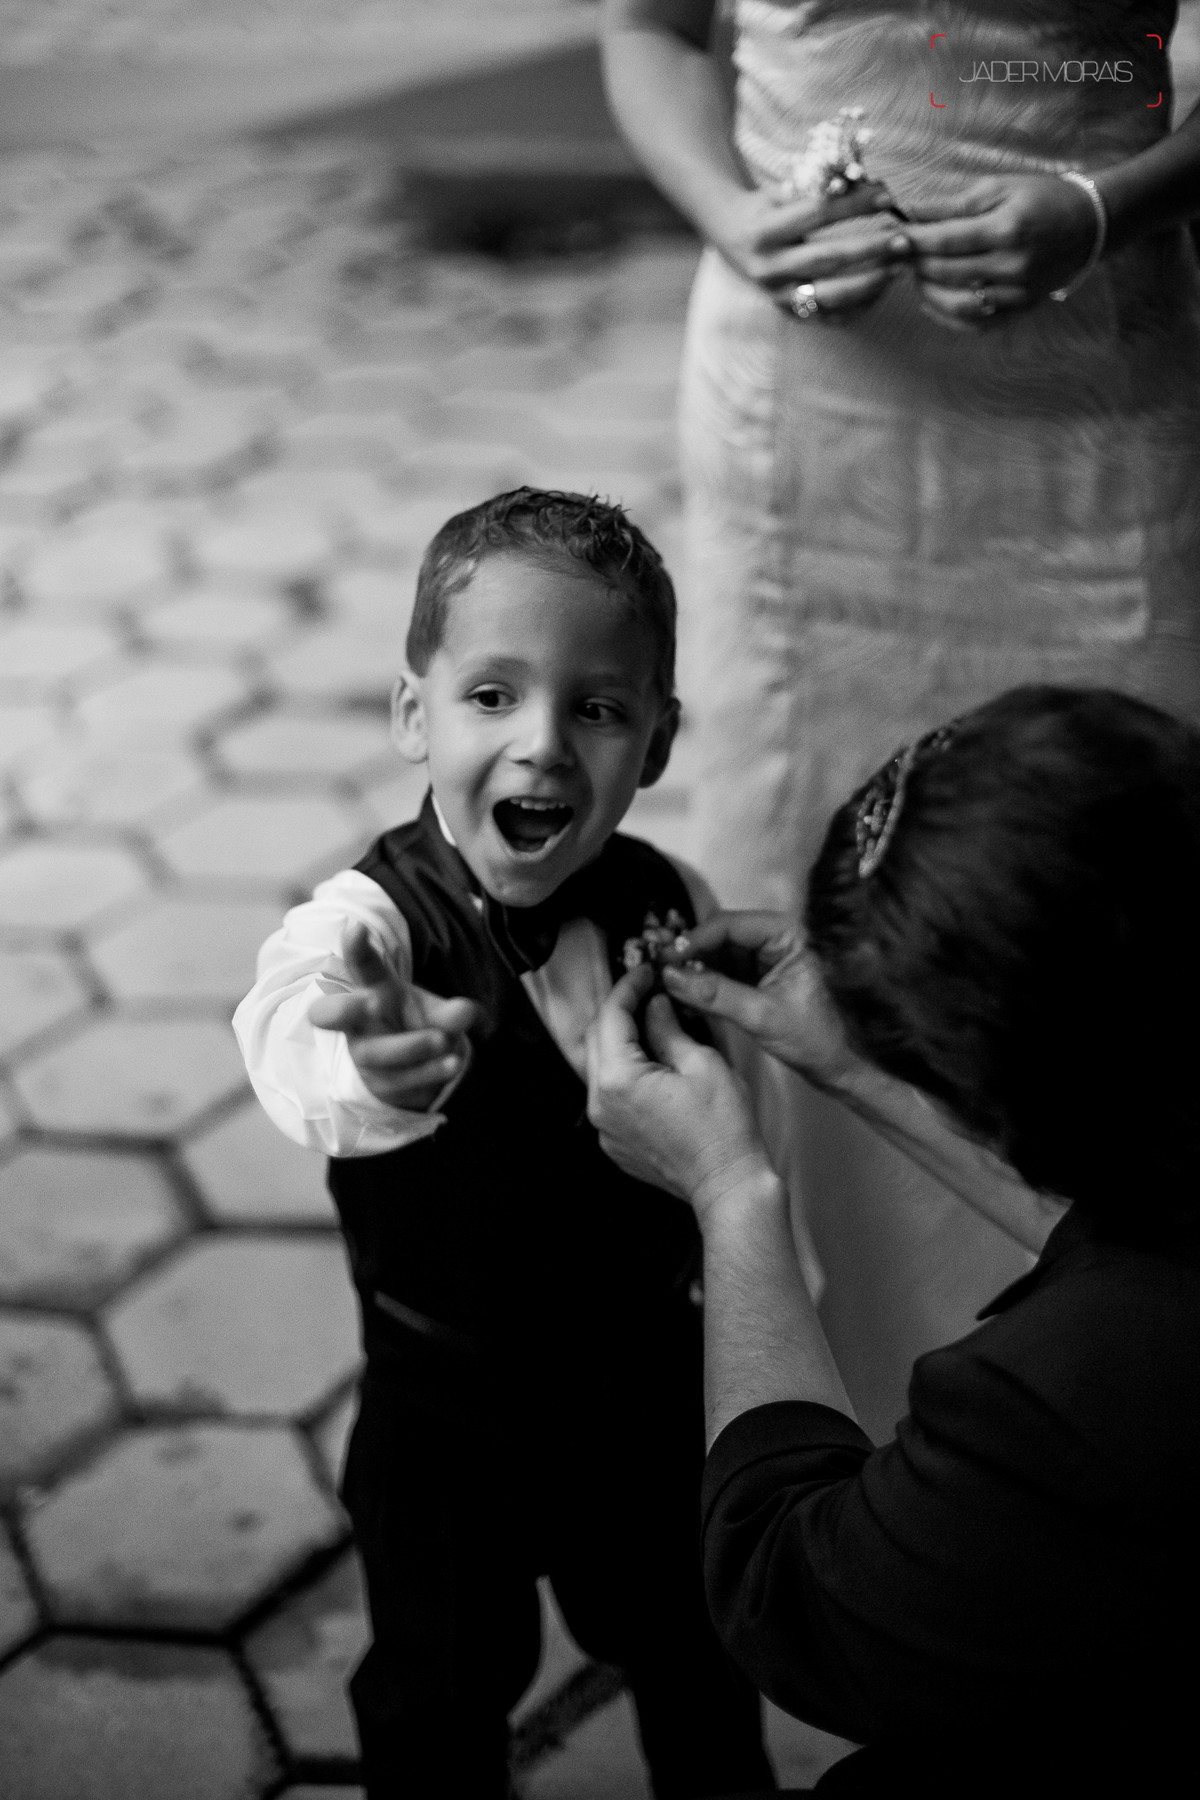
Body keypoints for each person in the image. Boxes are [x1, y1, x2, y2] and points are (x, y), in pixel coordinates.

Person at [601, 0, 1200, 1436]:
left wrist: (1103, 206)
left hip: (1099, 401)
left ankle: (1140, 1420)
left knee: (1119, 917)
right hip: (805, 420)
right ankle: (861, 1457)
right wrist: (732, 216)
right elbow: (652, 30)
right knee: (807, 901)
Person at [233, 488, 776, 1800]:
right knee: (438, 1690)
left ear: (655, 743)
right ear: (413, 711)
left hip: (646, 1390)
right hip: (444, 1414)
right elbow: (285, 1024)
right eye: (492, 696)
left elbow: (729, 1091)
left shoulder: (666, 896)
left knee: (698, 1650)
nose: (541, 747)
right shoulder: (368, 925)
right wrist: (365, 1056)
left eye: (596, 708)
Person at [586, 684, 1200, 1796]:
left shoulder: (1059, 1406)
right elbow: (1151, 1240)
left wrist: (728, 1190)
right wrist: (853, 1064)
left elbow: (790, 1591)